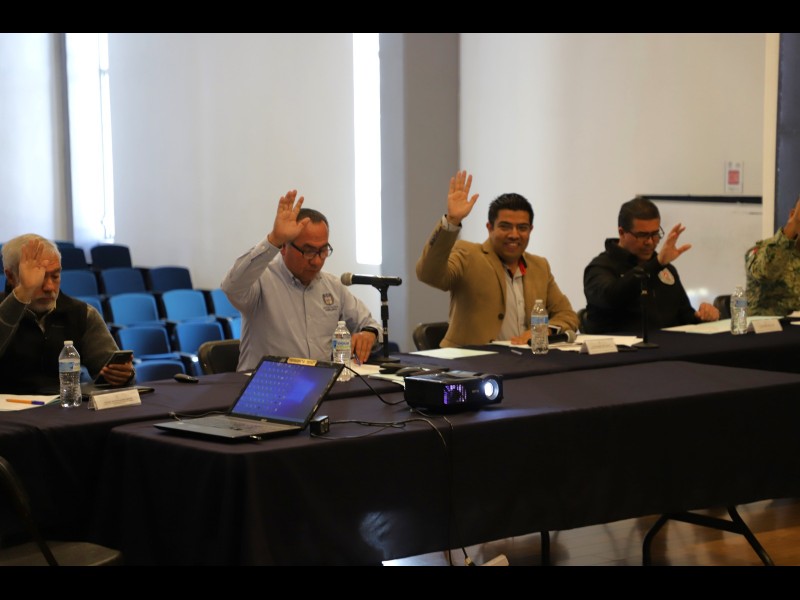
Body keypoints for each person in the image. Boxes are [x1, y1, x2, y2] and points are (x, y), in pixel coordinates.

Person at [220, 190, 382, 372]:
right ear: (284, 247)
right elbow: (231, 287)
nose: (317, 261)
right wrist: (273, 240)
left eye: (323, 250)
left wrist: (369, 334)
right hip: (268, 383)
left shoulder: (333, 286)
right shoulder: (261, 281)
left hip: (318, 383)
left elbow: (370, 324)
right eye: (309, 251)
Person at [416, 170, 579, 347]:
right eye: (505, 227)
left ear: (530, 230)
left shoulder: (540, 266)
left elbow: (567, 315)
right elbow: (428, 274)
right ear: (490, 228)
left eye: (522, 228)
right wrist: (452, 222)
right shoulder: (468, 254)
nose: (514, 235)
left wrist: (545, 330)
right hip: (471, 359)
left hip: (525, 358)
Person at [0, 234, 135, 394]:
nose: (49, 287)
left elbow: (107, 368)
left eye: (55, 276)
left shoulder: (81, 313)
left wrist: (122, 375)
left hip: (65, 404)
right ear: (10, 276)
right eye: (39, 278)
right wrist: (23, 293)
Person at [582, 196, 719, 334]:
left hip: (669, 345)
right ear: (622, 233)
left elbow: (684, 317)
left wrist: (702, 316)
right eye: (642, 235)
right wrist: (656, 264)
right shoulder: (600, 268)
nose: (650, 242)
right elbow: (611, 297)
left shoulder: (665, 268)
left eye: (655, 234)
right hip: (619, 347)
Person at [745, 194, 800, 316]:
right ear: (792, 215)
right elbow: (765, 272)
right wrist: (794, 223)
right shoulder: (763, 250)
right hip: (766, 326)